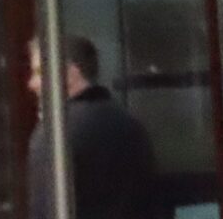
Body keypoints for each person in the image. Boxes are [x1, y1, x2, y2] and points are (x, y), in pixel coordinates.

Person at [25, 35, 169, 219]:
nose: (32, 84)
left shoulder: (55, 133)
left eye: (39, 72)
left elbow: (44, 209)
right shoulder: (130, 125)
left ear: (69, 73)